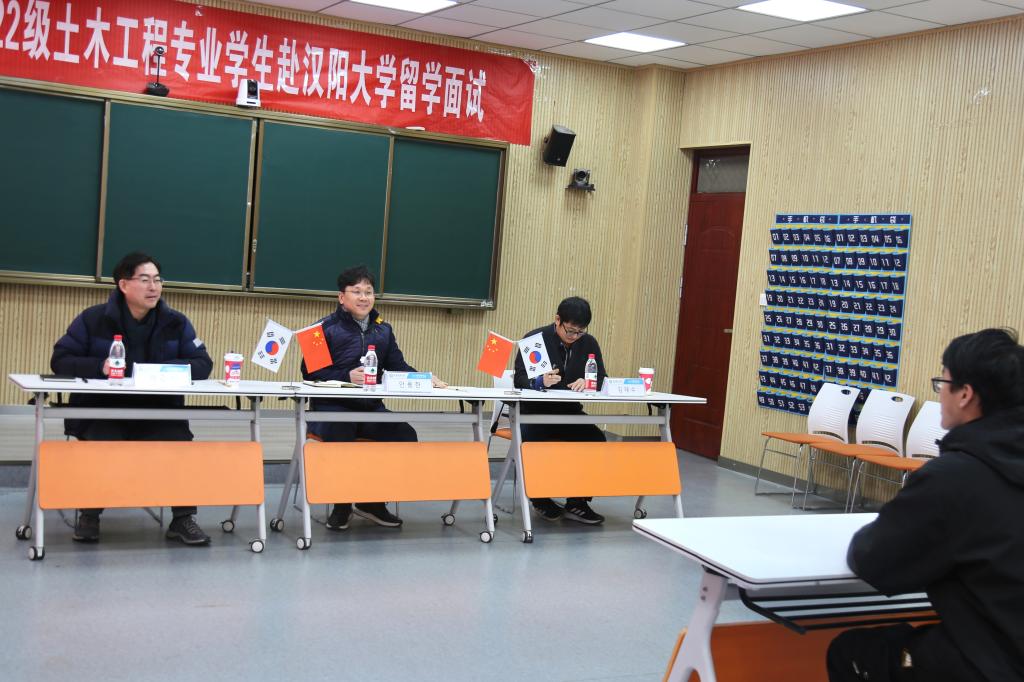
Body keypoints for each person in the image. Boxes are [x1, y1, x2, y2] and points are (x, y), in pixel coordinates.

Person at [826, 328, 1024, 681]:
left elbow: (875, 560)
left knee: (851, 651)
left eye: (942, 382)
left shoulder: (955, 476)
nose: (940, 393)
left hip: (990, 662)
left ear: (965, 394)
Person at [50, 251, 214, 545]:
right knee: (103, 441)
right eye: (145, 280)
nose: (154, 287)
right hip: (102, 411)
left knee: (178, 443)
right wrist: (98, 367)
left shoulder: (175, 322)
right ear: (124, 285)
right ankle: (89, 515)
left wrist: (163, 370)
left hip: (158, 412)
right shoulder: (93, 319)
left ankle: (183, 518)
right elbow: (60, 359)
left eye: (158, 280)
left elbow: (203, 364)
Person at [302, 265, 446, 531]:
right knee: (342, 433)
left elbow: (398, 366)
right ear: (341, 297)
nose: (364, 297)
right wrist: (346, 375)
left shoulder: (384, 331)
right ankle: (342, 504)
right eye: (356, 291)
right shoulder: (320, 329)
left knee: (404, 434)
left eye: (368, 292)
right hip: (331, 410)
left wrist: (427, 378)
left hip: (370, 410)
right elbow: (309, 373)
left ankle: (373, 501)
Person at [513, 296, 608, 525]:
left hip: (569, 413)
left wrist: (589, 382)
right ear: (558, 320)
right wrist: (539, 382)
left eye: (580, 332)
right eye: (570, 330)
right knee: (530, 440)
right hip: (534, 413)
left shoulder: (589, 343)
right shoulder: (535, 339)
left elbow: (603, 378)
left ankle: (577, 501)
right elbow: (519, 379)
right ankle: (539, 498)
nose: (574, 336)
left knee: (595, 439)